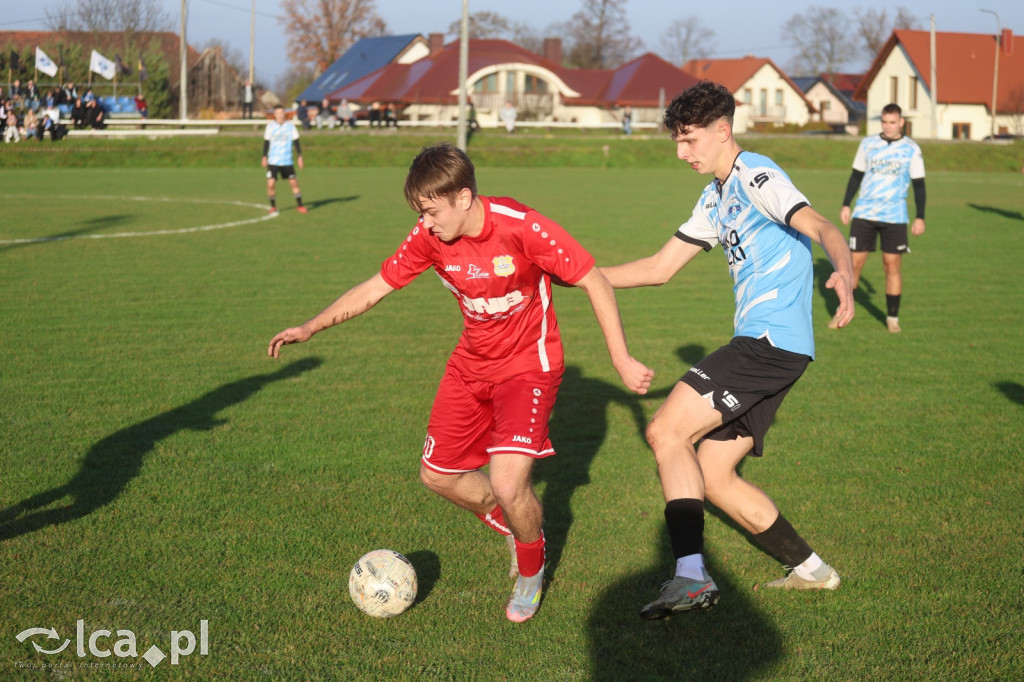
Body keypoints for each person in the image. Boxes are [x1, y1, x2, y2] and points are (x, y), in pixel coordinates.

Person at [268, 142, 653, 622]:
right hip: (470, 366)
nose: (425, 223)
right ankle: (513, 525)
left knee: (508, 482)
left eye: (431, 212)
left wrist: (621, 359)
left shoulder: (521, 225)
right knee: (437, 475)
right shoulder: (430, 236)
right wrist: (311, 326)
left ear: (464, 197)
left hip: (528, 367)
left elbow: (594, 279)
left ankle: (531, 571)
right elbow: (376, 286)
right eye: (420, 213)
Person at [600, 80, 855, 619]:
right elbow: (659, 268)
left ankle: (691, 579)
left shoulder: (756, 176)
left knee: (666, 431)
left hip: (767, 343)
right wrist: (581, 275)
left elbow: (821, 225)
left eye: (689, 140)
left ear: (723, 131)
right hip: (776, 349)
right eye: (676, 141)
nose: (681, 152)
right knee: (713, 475)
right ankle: (813, 571)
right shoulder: (714, 198)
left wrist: (845, 272)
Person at [832, 103, 925, 334]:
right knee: (853, 265)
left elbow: (919, 185)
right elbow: (856, 176)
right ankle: (842, 311)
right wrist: (846, 203)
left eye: (892, 122)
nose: (888, 126)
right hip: (864, 213)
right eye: (884, 122)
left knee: (891, 266)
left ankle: (892, 318)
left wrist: (920, 217)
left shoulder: (911, 149)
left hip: (895, 216)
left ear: (901, 122)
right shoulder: (868, 144)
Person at [261, 104, 307, 215]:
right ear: (274, 115)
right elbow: (266, 142)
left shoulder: (290, 127)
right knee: (270, 184)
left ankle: (300, 205)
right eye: (277, 113)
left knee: (294, 183)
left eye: (281, 113)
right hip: (273, 161)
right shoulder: (270, 127)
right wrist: (264, 156)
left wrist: (300, 156)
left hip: (287, 161)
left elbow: (296, 141)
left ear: (284, 113)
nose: (280, 115)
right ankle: (273, 206)